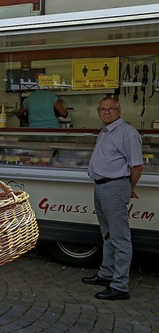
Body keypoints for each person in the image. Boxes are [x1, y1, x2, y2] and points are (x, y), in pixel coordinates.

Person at [82, 97, 143, 301]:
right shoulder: (106, 131)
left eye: (111, 109)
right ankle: (106, 274)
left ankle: (119, 286)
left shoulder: (128, 132)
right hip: (101, 187)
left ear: (119, 110)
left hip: (114, 187)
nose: (107, 112)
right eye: (103, 109)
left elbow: (137, 167)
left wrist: (127, 188)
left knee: (120, 238)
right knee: (107, 235)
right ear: (98, 112)